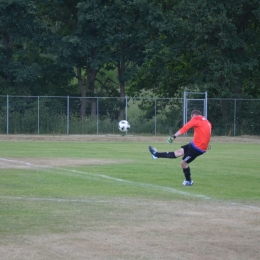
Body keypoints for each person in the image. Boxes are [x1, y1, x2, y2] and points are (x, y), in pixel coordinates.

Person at [148, 110, 212, 186]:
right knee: (178, 152)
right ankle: (156, 155)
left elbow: (184, 128)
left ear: (193, 116)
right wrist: (206, 144)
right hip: (196, 145)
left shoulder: (196, 119)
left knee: (183, 163)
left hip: (197, 148)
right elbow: (207, 133)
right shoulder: (207, 122)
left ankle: (188, 181)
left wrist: (173, 137)